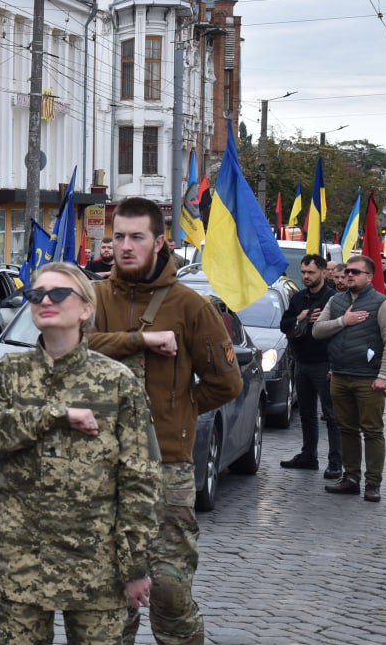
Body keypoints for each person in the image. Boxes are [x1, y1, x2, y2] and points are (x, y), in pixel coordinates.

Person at [0, 262, 159, 643]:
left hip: (96, 567)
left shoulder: (117, 381)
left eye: (58, 294)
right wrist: (53, 416)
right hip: (22, 563)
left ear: (85, 309)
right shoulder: (10, 373)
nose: (45, 301)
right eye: (36, 295)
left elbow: (140, 476)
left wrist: (136, 564)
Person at [87, 197, 242, 645]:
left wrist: (180, 406)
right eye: (118, 237)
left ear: (160, 242)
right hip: (103, 466)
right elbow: (65, 349)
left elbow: (226, 382)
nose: (125, 247)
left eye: (137, 237)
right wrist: (140, 341)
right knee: (110, 595)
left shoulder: (190, 305)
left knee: (170, 590)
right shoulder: (93, 297)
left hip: (166, 465)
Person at [312, 253, 386, 503]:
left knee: (372, 431)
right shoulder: (337, 301)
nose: (349, 275)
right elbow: (317, 331)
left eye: (355, 272)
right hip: (339, 375)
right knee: (346, 429)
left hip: (368, 379)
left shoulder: (383, 304)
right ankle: (351, 478)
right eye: (347, 271)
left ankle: (373, 483)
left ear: (369, 277)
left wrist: (384, 375)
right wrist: (343, 321)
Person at [278, 254, 342, 480]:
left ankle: (336, 462)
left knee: (332, 415)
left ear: (324, 272)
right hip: (302, 363)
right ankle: (309, 455)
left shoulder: (334, 299)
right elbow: (284, 325)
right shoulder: (298, 298)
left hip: (324, 363)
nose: (306, 276)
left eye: (311, 272)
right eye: (304, 272)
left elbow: (340, 334)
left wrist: (335, 365)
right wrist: (301, 316)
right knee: (306, 413)